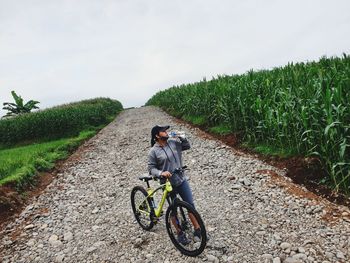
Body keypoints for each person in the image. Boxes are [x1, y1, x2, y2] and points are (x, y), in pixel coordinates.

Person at [148, 125, 200, 245]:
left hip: (181, 179)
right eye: (163, 131)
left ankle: (198, 229)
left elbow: (187, 146)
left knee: (190, 205)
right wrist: (161, 173)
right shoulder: (153, 151)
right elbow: (151, 169)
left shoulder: (173, 142)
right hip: (168, 183)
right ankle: (179, 233)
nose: (167, 132)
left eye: (166, 130)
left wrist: (182, 138)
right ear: (157, 135)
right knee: (173, 209)